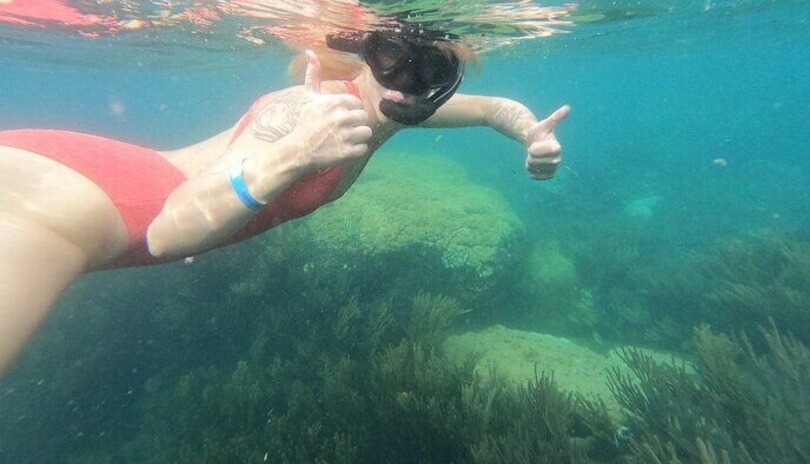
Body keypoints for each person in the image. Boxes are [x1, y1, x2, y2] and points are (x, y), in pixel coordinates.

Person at [0, 29, 570, 376]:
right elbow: (167, 232)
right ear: (364, 59)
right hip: (70, 204)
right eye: (392, 59)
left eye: (433, 73)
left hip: (92, 181)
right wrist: (289, 158)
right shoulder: (302, 112)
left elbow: (495, 107)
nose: (406, 87)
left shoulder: (396, 106)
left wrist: (532, 135)